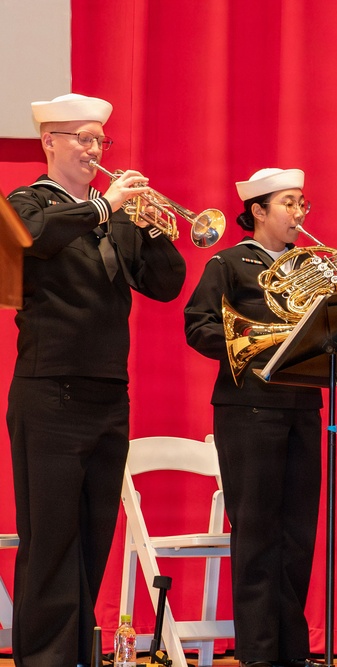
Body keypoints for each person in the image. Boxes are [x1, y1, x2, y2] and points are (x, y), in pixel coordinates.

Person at [5, 93, 186, 666]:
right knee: (50, 540)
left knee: (92, 538)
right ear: (49, 143)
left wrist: (150, 224)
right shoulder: (26, 202)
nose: (93, 150)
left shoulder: (111, 214)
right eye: (81, 139)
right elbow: (32, 238)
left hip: (108, 394)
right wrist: (104, 207)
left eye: (99, 141)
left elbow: (165, 284)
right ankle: (43, 660)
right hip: (49, 389)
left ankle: (78, 655)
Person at [184, 168, 337, 667]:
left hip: (303, 405)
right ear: (258, 211)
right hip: (248, 409)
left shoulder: (316, 266)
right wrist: (251, 345)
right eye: (289, 203)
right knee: (258, 531)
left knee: (298, 532)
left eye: (303, 203)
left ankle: (292, 651)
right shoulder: (229, 263)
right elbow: (197, 326)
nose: (300, 213)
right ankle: (260, 653)